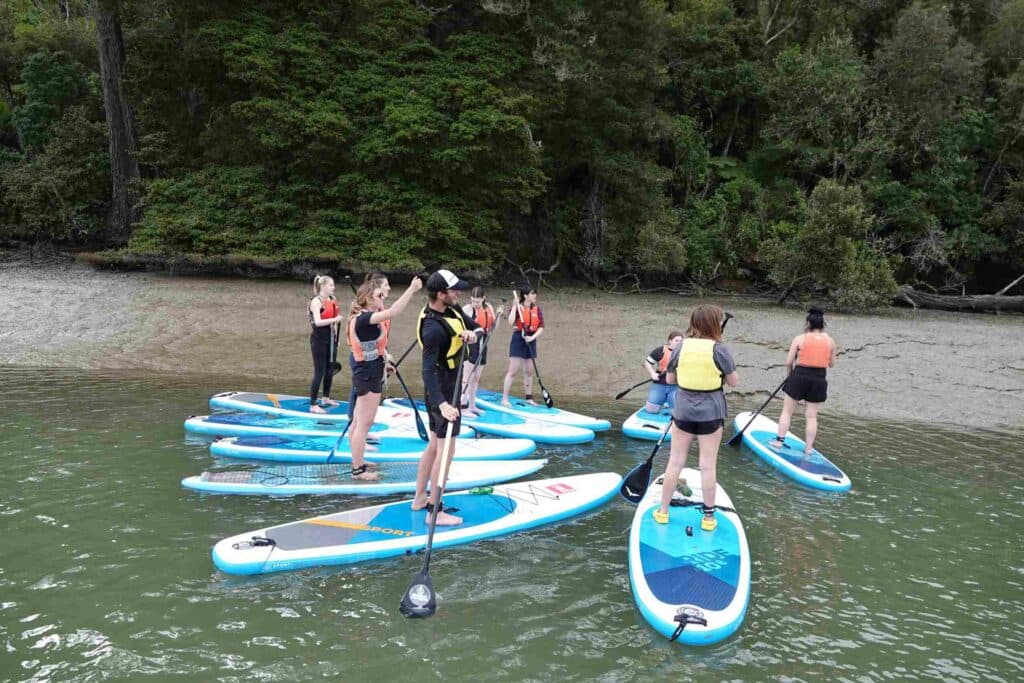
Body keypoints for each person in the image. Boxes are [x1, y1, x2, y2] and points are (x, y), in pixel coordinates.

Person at [653, 304, 739, 532]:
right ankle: (708, 518)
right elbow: (733, 382)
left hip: (683, 412)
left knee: (675, 462)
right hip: (711, 413)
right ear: (714, 324)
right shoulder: (720, 349)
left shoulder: (680, 348)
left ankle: (663, 512)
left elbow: (670, 380)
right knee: (707, 466)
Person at [412, 269, 481, 526]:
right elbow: (427, 371)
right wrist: (442, 404)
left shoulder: (451, 310)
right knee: (446, 451)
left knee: (434, 447)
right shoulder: (432, 329)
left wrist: (473, 334)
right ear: (440, 294)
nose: (458, 293)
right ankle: (434, 511)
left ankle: (419, 498)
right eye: (453, 290)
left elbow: (477, 327)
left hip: (447, 385)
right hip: (440, 389)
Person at [345, 273, 423, 480]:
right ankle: (358, 470)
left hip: (370, 370)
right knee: (363, 424)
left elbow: (373, 350)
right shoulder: (364, 319)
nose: (382, 298)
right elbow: (395, 311)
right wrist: (412, 289)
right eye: (379, 295)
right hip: (366, 374)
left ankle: (357, 459)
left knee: (358, 423)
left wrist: (386, 363)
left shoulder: (365, 317)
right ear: (369, 299)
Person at [769, 307, 836, 455]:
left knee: (787, 411)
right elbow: (831, 364)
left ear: (808, 323)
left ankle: (779, 442)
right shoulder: (830, 341)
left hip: (799, 375)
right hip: (819, 378)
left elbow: (788, 362)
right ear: (822, 324)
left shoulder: (800, 338)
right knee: (812, 416)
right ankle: (809, 448)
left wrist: (790, 374)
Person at [461, 287, 502, 417]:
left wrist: (498, 315)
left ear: (483, 299)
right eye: (473, 300)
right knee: (467, 377)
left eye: (478, 301)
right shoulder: (467, 309)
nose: (475, 304)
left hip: (483, 343)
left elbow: (494, 328)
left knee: (476, 378)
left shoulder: (488, 307)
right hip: (471, 344)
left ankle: (472, 405)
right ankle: (462, 407)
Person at [501, 285, 544, 406]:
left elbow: (541, 327)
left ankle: (529, 397)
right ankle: (504, 399)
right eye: (532, 293)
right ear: (525, 296)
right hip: (519, 339)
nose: (535, 296)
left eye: (535, 293)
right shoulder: (518, 307)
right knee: (512, 371)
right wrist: (514, 306)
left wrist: (532, 337)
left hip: (531, 339)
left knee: (529, 372)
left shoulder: (537, 309)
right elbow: (510, 322)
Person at [308, 275, 345, 413]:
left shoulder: (332, 300)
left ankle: (325, 398)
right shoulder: (316, 302)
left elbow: (333, 323)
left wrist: (336, 338)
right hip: (318, 339)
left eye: (333, 285)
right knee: (320, 371)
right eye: (331, 285)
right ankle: (313, 404)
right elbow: (317, 322)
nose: (333, 288)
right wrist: (334, 319)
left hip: (330, 339)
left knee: (330, 369)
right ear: (323, 286)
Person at [643, 330, 684, 413]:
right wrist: (653, 373)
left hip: (675, 386)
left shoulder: (685, 353)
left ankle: (669, 401)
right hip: (659, 383)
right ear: (670, 341)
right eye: (676, 340)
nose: (679, 343)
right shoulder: (660, 350)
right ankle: (662, 400)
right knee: (651, 410)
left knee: (675, 412)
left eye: (681, 341)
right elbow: (647, 363)